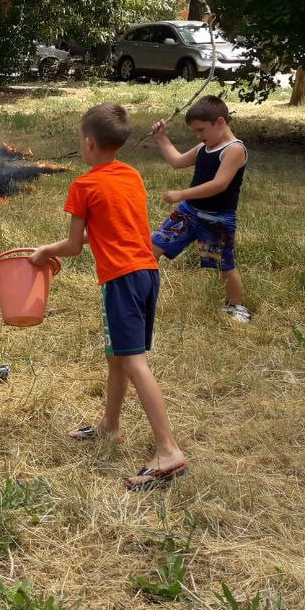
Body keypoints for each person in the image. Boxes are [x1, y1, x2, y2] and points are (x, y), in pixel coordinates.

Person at [30, 102, 188, 490]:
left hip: (121, 279)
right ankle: (109, 427)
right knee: (117, 355)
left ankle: (168, 450)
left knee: (134, 362)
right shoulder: (131, 175)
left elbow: (73, 245)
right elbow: (107, 228)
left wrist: (45, 252)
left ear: (88, 143)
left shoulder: (84, 185)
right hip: (147, 273)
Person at [149, 95, 251, 322]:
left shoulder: (234, 150)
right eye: (195, 132)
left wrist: (181, 194)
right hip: (189, 213)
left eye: (201, 130)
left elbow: (219, 185)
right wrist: (161, 138)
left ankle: (237, 306)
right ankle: (142, 297)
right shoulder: (205, 146)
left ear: (221, 122)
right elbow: (176, 162)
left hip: (217, 220)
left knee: (223, 263)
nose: (198, 136)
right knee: (152, 248)